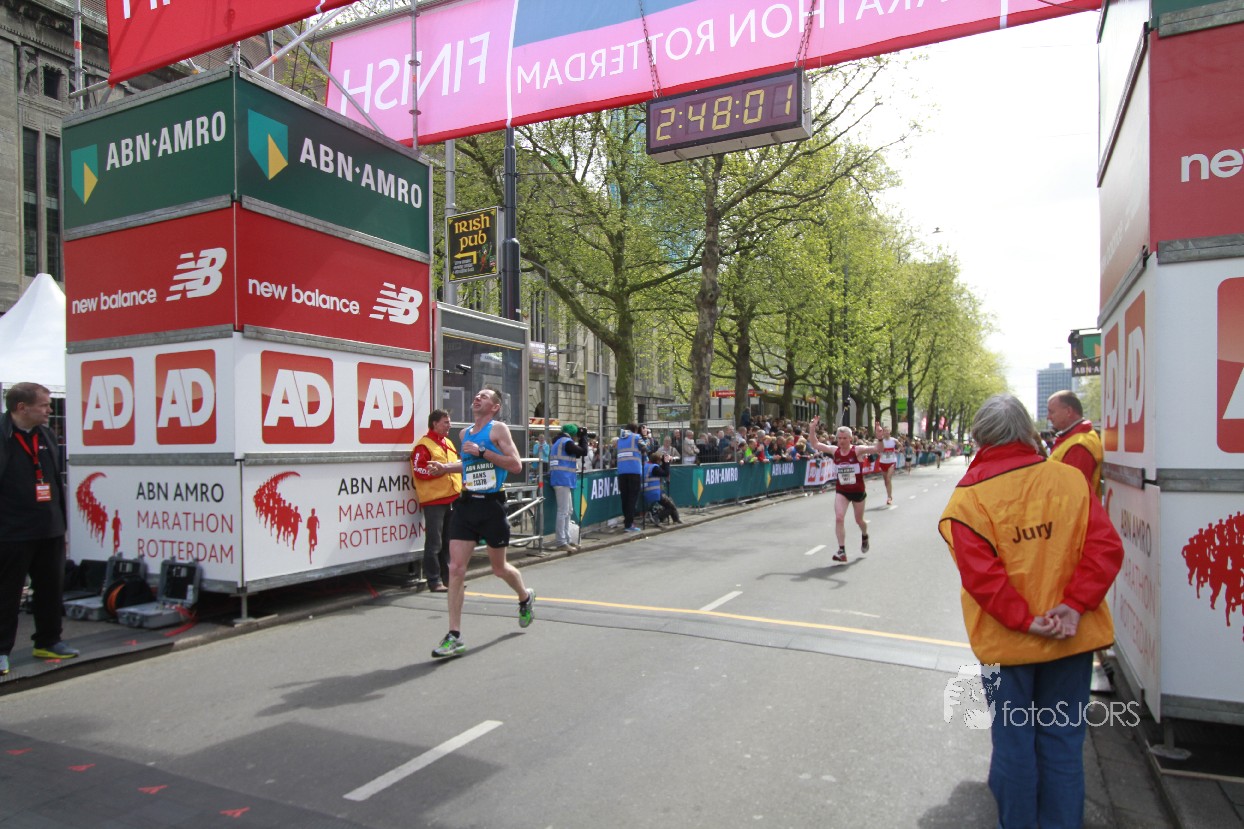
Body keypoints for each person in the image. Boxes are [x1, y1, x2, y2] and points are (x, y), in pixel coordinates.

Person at [938, 394, 1123, 829]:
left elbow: (982, 579)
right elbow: (1105, 548)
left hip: (1008, 645)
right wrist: (1073, 606)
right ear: (1026, 430)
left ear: (979, 437)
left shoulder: (968, 500)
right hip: (1071, 637)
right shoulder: (1068, 480)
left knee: (1014, 743)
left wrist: (1025, 620)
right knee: (1063, 742)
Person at [426, 390, 534, 658]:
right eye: (476, 395)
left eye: (484, 397)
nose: (477, 398)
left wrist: (484, 451)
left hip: (491, 506)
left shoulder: (498, 430)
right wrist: (445, 468)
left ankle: (524, 596)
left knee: (499, 568)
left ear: (494, 407)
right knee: (456, 568)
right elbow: (468, 465)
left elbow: (515, 465)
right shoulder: (465, 434)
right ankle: (454, 635)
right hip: (466, 506)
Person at [0, 382, 77, 676]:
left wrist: (61, 522)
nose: (49, 410)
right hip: (11, 531)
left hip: (49, 527)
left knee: (50, 588)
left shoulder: (46, 435)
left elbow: (54, 479)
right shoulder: (4, 435)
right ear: (22, 407)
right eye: (44, 405)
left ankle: (48, 641)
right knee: (7, 594)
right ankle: (1, 651)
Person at [806, 416, 883, 563]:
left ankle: (865, 535)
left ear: (850, 439)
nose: (841, 441)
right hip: (842, 490)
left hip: (858, 491)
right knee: (839, 518)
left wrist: (879, 438)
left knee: (859, 520)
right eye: (839, 438)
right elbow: (815, 444)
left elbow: (878, 449)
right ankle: (842, 550)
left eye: (844, 438)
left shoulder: (857, 450)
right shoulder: (834, 451)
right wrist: (812, 428)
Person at [410, 409, 462, 593]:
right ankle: (434, 580)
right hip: (434, 501)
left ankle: (448, 580)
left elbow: (454, 465)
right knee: (434, 543)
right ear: (435, 424)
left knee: (448, 542)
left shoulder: (448, 442)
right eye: (446, 422)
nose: (450, 425)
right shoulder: (423, 445)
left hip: (451, 498)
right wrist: (437, 472)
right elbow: (418, 470)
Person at [1046, 389, 1103, 495]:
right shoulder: (1074, 439)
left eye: (1051, 412)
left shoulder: (1079, 445)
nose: (1048, 417)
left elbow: (1073, 493)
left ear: (1068, 411)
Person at [548, 423, 588, 551]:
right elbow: (583, 451)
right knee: (563, 511)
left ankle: (567, 539)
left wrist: (582, 439)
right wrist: (584, 437)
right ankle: (561, 541)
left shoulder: (558, 442)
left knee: (568, 510)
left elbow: (577, 453)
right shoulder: (566, 442)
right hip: (562, 479)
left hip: (562, 479)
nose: (576, 437)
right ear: (572, 434)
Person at [614, 423, 648, 533]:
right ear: (635, 430)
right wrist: (645, 437)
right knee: (632, 499)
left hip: (622, 472)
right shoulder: (636, 437)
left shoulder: (620, 440)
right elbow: (645, 448)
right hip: (634, 471)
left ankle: (627, 522)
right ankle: (629, 524)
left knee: (625, 498)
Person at [642, 451, 682, 526]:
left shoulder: (647, 466)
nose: (660, 462)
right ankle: (657, 517)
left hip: (648, 491)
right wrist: (666, 462)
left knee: (670, 501)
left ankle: (676, 519)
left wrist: (664, 462)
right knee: (671, 507)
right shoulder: (654, 468)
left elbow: (661, 469)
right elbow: (665, 473)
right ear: (657, 461)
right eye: (660, 460)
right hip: (654, 493)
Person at [875, 422, 899, 505]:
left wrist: (898, 450)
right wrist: (880, 453)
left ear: (890, 432)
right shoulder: (880, 441)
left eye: (888, 431)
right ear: (883, 432)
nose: (887, 432)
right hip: (883, 462)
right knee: (886, 481)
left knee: (888, 478)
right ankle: (889, 494)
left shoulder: (894, 440)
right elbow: (876, 449)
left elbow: (900, 446)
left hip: (892, 461)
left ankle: (889, 497)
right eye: (885, 431)